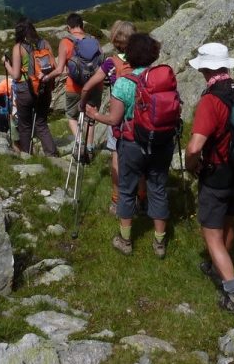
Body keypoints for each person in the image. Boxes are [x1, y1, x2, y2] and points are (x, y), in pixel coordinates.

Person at [184, 42, 234, 319]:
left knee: (211, 234)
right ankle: (218, 267)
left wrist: (193, 166)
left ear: (203, 68)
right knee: (229, 221)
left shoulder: (211, 101)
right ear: (226, 65)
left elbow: (194, 147)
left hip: (217, 173)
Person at [86, 33, 172, 259]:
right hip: (161, 143)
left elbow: (114, 120)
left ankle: (125, 240)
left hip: (132, 143)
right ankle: (160, 243)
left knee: (126, 190)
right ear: (153, 55)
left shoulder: (123, 83)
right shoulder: (163, 80)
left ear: (130, 56)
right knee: (158, 189)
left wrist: (95, 114)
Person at [79, 20, 147, 214]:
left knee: (117, 156)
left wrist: (83, 104)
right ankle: (142, 198)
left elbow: (88, 86)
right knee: (141, 159)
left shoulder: (111, 63)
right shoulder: (143, 61)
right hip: (141, 117)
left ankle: (117, 200)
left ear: (115, 40)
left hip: (117, 118)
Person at [46, 13, 103, 162]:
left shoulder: (65, 42)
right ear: (82, 26)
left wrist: (46, 77)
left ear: (68, 27)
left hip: (75, 87)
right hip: (95, 85)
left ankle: (80, 142)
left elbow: (59, 70)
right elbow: (101, 63)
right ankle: (90, 149)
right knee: (91, 117)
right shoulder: (94, 41)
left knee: (71, 116)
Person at [9, 18, 58, 156]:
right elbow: (53, 66)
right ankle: (52, 154)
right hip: (44, 86)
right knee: (41, 123)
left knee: (25, 125)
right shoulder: (45, 43)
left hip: (26, 89)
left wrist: (7, 64)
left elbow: (16, 75)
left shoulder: (18, 47)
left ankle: (27, 155)